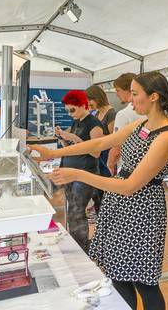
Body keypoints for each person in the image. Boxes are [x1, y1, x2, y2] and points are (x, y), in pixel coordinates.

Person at [28, 71, 168, 310]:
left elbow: (130, 185)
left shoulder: (167, 135)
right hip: (119, 206)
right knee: (118, 275)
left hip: (142, 212)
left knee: (144, 281)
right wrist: (53, 153)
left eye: (135, 94)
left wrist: (78, 174)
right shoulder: (141, 123)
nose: (130, 100)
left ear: (154, 97)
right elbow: (99, 143)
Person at [55, 90, 104, 253]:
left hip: (85, 174)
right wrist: (63, 139)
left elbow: (96, 152)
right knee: (73, 211)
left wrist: (74, 139)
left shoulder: (94, 124)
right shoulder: (77, 122)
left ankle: (81, 249)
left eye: (72, 110)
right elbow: (73, 149)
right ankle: (77, 244)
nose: (70, 114)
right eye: (68, 111)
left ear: (83, 105)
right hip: (72, 172)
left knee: (77, 211)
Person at [86, 85, 116, 213]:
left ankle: (107, 214)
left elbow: (114, 138)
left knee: (106, 190)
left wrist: (96, 137)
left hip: (106, 155)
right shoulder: (97, 113)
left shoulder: (111, 113)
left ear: (97, 98)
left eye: (89, 100)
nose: (88, 104)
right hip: (97, 155)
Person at [107, 73, 145, 175]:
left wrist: (110, 165)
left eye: (118, 90)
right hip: (147, 169)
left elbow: (116, 147)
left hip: (127, 170)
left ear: (130, 90)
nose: (117, 94)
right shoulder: (148, 113)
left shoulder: (123, 114)